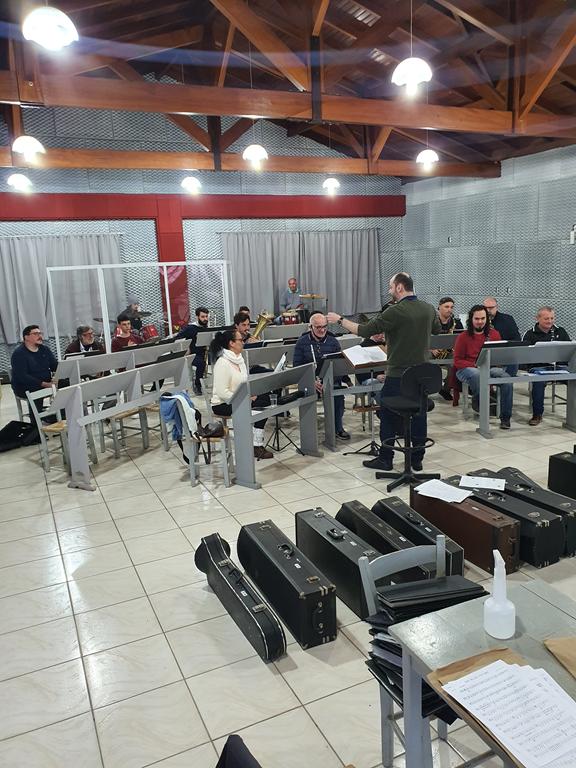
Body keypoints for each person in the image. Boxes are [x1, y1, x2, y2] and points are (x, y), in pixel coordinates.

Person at [328, 272, 440, 470]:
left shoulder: (394, 311)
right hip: (422, 374)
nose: (389, 291)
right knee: (419, 414)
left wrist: (339, 320)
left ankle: (386, 458)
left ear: (399, 287)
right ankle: (417, 459)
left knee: (387, 413)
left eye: (391, 287)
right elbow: (437, 330)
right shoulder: (429, 308)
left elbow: (364, 330)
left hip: (398, 375)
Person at [209, 329, 273, 460]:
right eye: (240, 340)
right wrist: (245, 398)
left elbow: (245, 382)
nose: (243, 342)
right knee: (259, 406)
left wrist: (251, 393)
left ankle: (256, 443)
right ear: (231, 343)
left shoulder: (240, 359)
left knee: (265, 399)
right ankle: (255, 445)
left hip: (240, 398)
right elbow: (222, 392)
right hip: (223, 404)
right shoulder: (222, 363)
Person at [453, 304, 513, 430]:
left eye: (482, 318)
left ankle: (505, 418)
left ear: (487, 319)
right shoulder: (463, 337)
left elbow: (499, 357)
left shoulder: (494, 334)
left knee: (507, 380)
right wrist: (476, 365)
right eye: (477, 319)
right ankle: (480, 402)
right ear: (471, 319)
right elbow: (457, 361)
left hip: (489, 367)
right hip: (467, 368)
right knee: (477, 374)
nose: (480, 322)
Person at [292, 312, 350, 441]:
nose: (322, 330)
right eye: (318, 327)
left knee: (338, 394)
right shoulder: (302, 342)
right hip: (310, 381)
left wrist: (330, 381)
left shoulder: (333, 341)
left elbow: (339, 366)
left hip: (330, 380)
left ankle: (337, 428)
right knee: (307, 395)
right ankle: (309, 434)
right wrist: (311, 381)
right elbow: (297, 366)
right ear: (310, 327)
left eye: (324, 326)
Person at [522, 306, 571, 426]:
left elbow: (569, 351)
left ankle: (573, 414)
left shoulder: (560, 331)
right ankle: (537, 414)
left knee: (574, 378)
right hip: (539, 367)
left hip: (559, 367)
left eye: (552, 318)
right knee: (538, 381)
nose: (550, 321)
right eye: (546, 319)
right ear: (537, 318)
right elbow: (524, 356)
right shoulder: (530, 334)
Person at [11, 325, 58, 409]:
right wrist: (44, 384)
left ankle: (61, 412)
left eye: (40, 333)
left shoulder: (45, 349)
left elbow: (54, 366)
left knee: (67, 384)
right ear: (26, 337)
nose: (40, 336)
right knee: (36, 391)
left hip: (46, 382)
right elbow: (23, 376)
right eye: (36, 334)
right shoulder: (19, 354)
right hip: (25, 386)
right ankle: (36, 416)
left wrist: (58, 376)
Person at [432, 296, 463, 401]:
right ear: (439, 307)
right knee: (423, 362)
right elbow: (422, 337)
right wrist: (431, 349)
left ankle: (446, 389)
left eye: (451, 307)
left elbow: (461, 339)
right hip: (433, 350)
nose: (449, 309)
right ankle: (424, 390)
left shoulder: (456, 323)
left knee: (455, 364)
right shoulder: (431, 322)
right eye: (446, 307)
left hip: (449, 351)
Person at [175, 307, 210, 395]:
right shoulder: (190, 328)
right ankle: (197, 385)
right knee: (201, 364)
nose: (205, 319)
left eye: (206, 316)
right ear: (197, 317)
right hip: (193, 354)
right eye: (203, 317)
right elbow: (178, 338)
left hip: (203, 353)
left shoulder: (206, 328)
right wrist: (186, 347)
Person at [483, 296, 521, 377]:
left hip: (503, 353)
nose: (488, 310)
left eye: (491, 308)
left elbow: (517, 339)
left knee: (513, 360)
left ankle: (508, 382)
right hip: (483, 353)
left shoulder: (507, 319)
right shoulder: (480, 320)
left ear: (497, 307)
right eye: (486, 308)